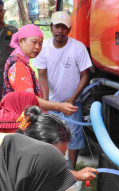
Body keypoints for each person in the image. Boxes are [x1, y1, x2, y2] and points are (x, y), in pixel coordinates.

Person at [33, 11, 92, 169]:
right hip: (52, 103)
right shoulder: (43, 47)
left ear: (69, 29)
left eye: (64, 27)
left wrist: (73, 97)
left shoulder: (78, 48)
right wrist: (46, 102)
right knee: (50, 138)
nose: (60, 31)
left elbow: (85, 75)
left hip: (72, 103)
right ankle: (53, 169)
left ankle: (71, 171)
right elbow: (42, 75)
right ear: (51, 27)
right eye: (57, 27)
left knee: (74, 138)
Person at [2, 24, 45, 98]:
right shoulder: (18, 65)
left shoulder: (20, 60)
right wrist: (58, 106)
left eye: (40, 43)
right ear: (21, 41)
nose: (37, 47)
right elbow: (28, 99)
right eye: (34, 42)